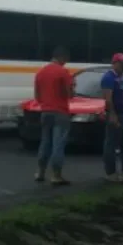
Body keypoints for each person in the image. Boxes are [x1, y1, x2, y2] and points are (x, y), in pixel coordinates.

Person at [33, 46, 73, 185]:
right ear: (62, 57)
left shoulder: (40, 73)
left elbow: (37, 97)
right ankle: (56, 175)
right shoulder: (63, 72)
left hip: (45, 112)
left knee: (45, 142)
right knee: (58, 144)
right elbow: (69, 94)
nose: (66, 62)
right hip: (60, 112)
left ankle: (40, 172)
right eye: (66, 59)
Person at [101, 53, 123, 182]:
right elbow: (108, 99)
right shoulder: (108, 78)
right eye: (121, 65)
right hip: (116, 115)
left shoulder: (121, 79)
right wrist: (112, 115)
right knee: (111, 144)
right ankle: (111, 173)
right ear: (114, 64)